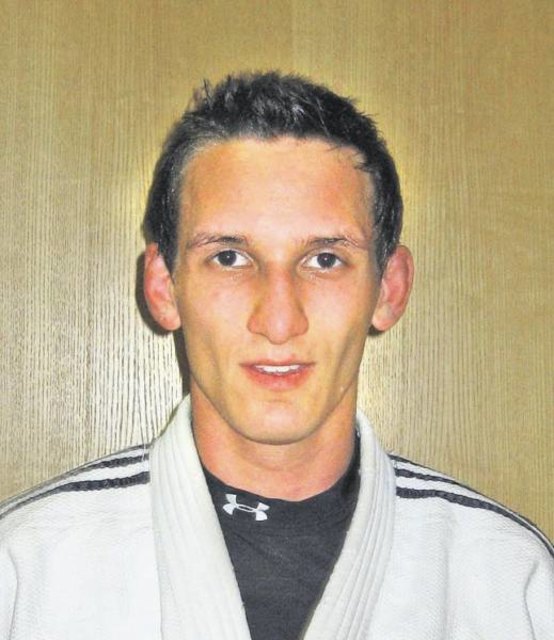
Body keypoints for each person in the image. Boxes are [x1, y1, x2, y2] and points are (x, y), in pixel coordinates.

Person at [1, 72, 552, 640]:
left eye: (325, 260)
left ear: (389, 288)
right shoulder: (24, 573)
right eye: (230, 257)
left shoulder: (510, 582)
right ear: (164, 287)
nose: (280, 320)